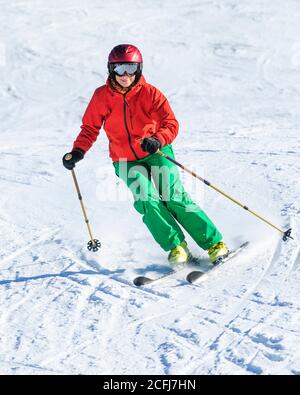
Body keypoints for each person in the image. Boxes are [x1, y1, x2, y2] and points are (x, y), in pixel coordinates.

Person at [62, 44, 229, 265]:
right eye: (119, 69)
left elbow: (171, 123)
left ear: (139, 68)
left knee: (172, 196)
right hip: (125, 159)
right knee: (146, 200)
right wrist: (78, 151)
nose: (125, 75)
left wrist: (158, 138)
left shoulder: (150, 93)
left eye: (131, 68)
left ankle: (214, 243)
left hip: (155, 151)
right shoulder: (102, 96)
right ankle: (177, 247)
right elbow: (90, 128)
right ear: (111, 69)